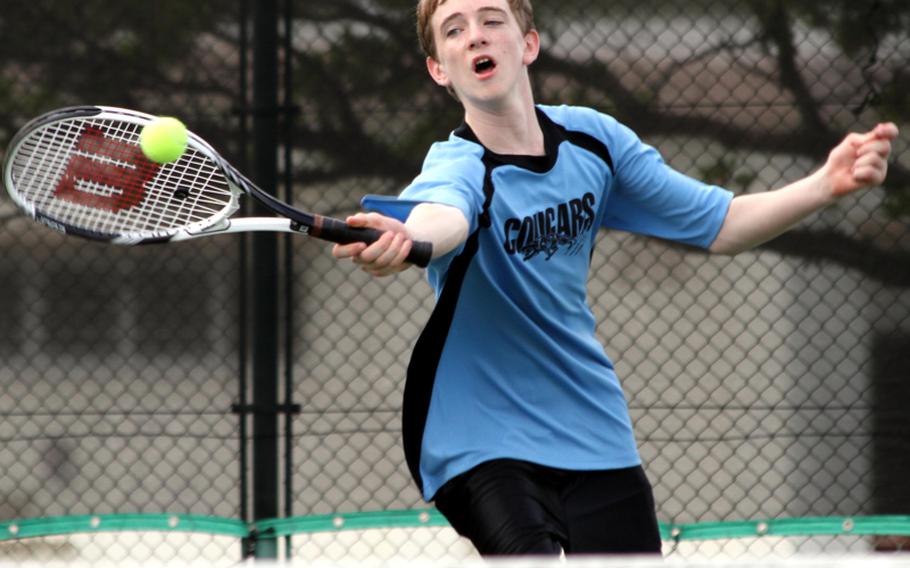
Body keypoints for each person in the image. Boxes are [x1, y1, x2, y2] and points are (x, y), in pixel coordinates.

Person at [332, 0, 899, 556]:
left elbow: (720, 224)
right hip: (479, 441)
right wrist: (412, 240)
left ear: (528, 43)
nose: (475, 36)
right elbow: (444, 216)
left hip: (593, 432)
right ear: (439, 69)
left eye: (491, 20)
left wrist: (825, 185)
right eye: (453, 30)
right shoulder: (455, 167)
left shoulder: (592, 142)